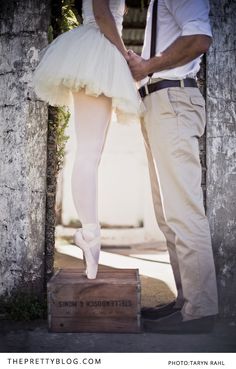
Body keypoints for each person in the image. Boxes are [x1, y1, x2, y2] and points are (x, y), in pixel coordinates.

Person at [33, 0, 141, 279]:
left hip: (99, 49)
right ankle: (90, 236)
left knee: (92, 154)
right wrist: (124, 56)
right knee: (89, 154)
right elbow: (102, 14)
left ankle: (90, 236)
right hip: (98, 48)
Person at [128, 0, 218, 333]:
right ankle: (187, 301)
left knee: (184, 210)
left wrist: (148, 65)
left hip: (173, 102)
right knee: (168, 215)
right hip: (159, 103)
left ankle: (201, 310)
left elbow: (199, 38)